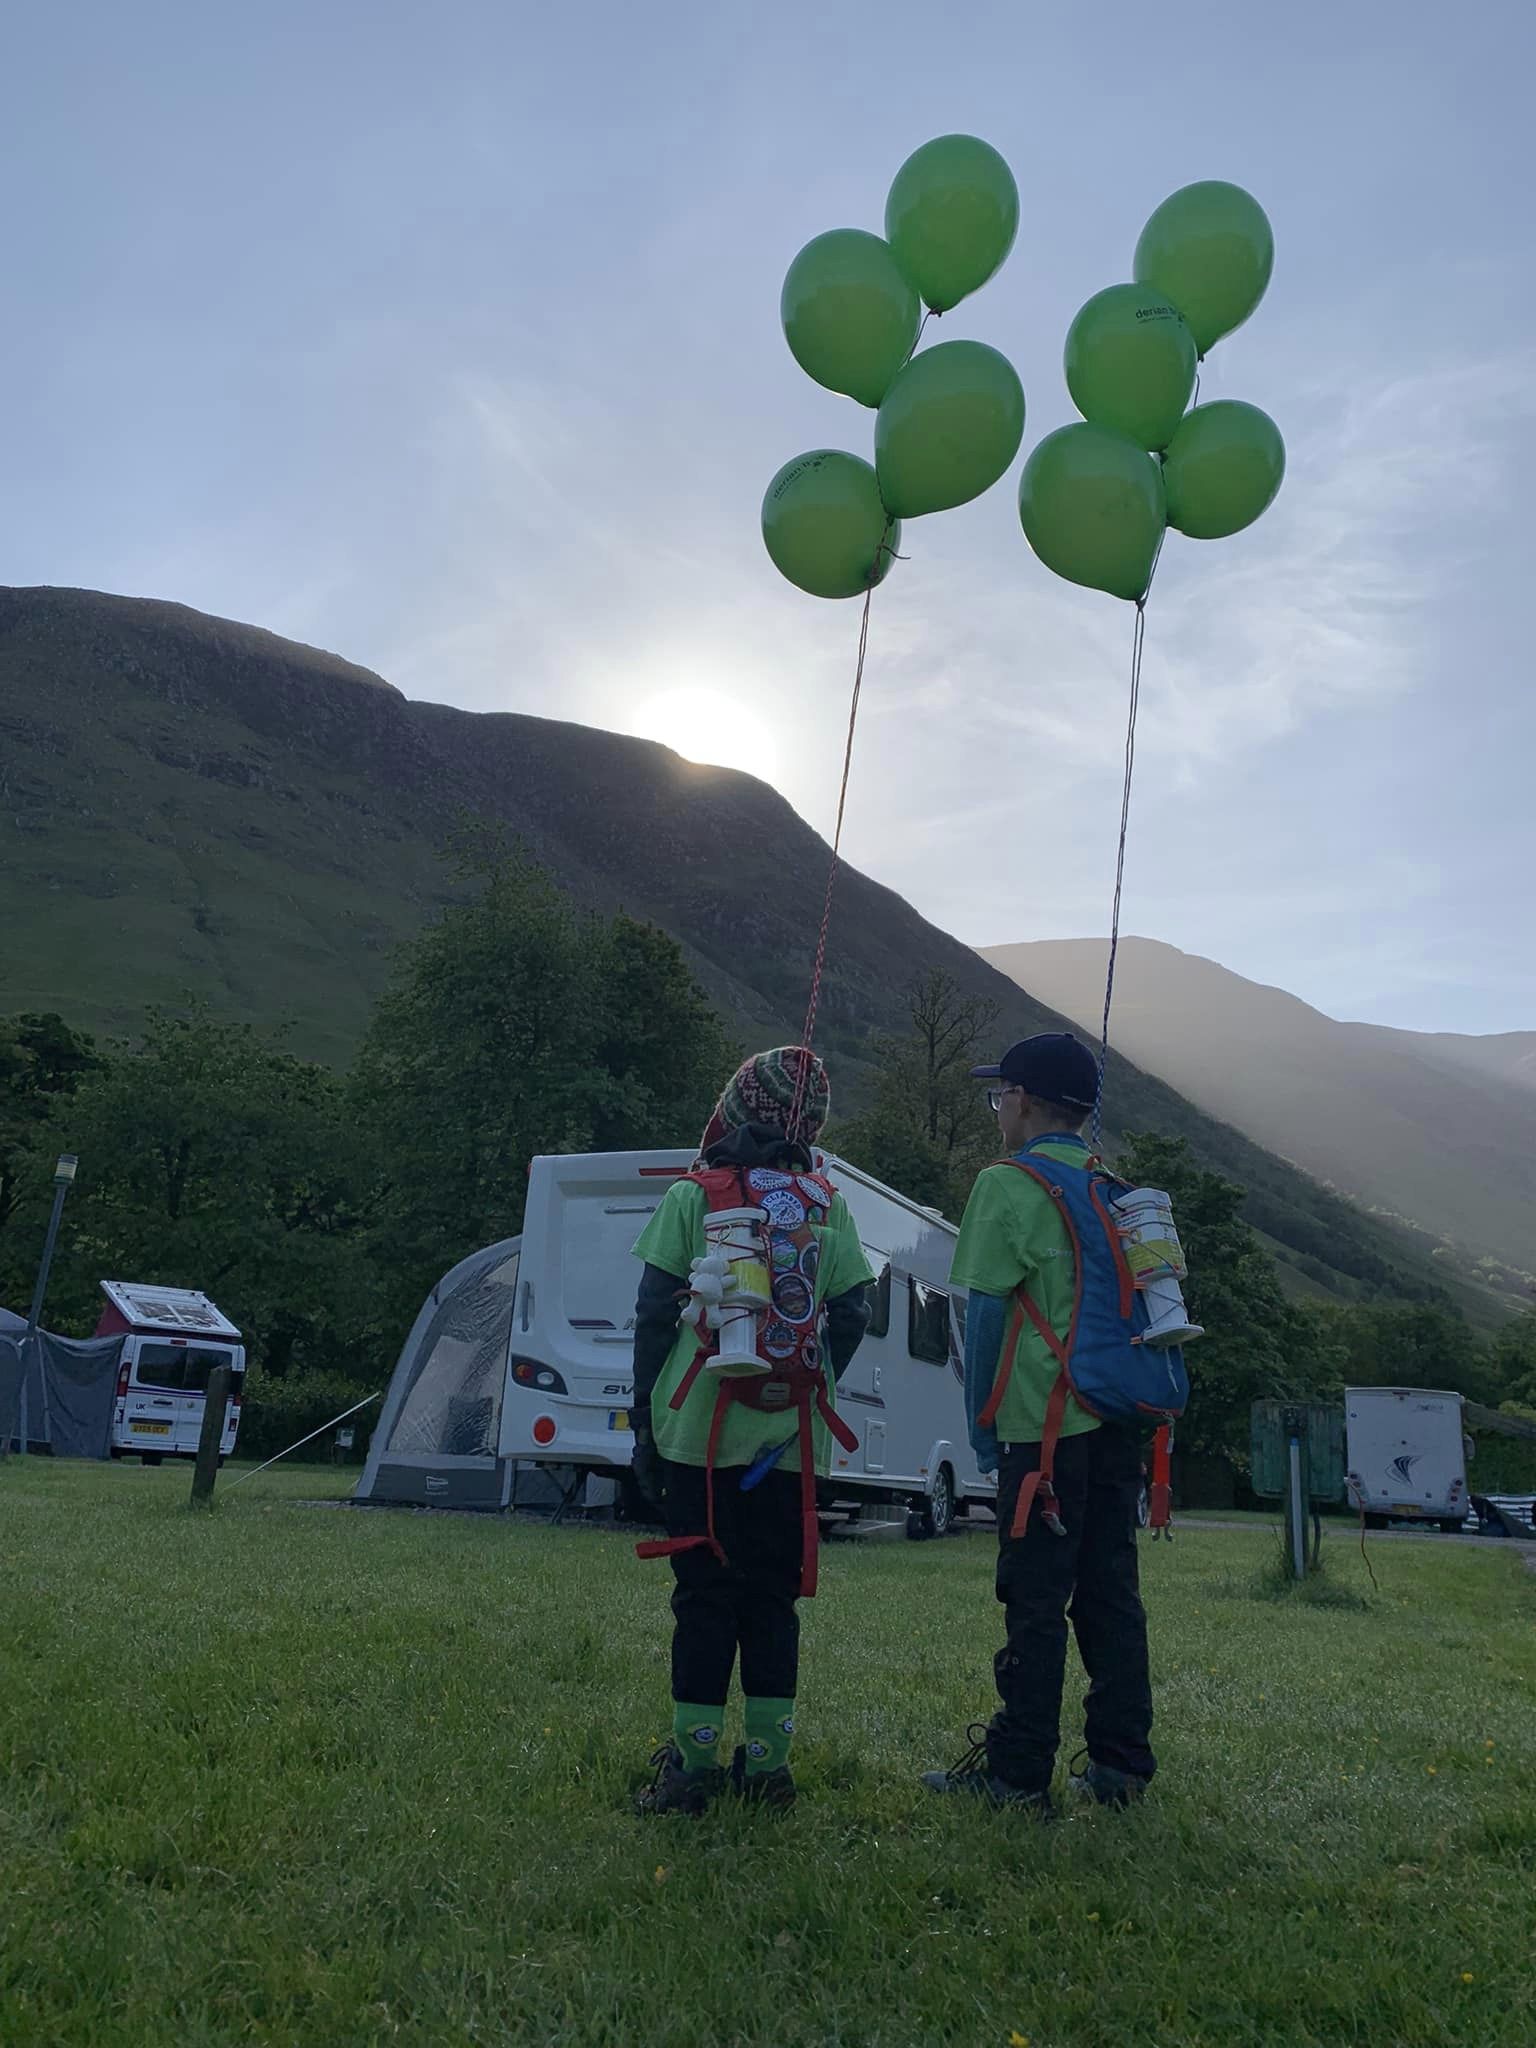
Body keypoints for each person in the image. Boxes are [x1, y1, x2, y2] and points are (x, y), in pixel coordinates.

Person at [629, 1046, 873, 1815]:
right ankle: (768, 1769)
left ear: (735, 1109)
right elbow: (858, 1309)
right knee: (772, 1603)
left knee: (703, 1596)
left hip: (696, 1436)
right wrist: (803, 1376)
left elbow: (652, 1314)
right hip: (793, 1442)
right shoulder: (828, 1203)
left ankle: (691, 1771)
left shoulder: (694, 1195)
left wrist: (643, 1422)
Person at [922, 1032, 1156, 1815]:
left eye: (1000, 1097)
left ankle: (1018, 1773)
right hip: (1120, 1422)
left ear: (1023, 1101)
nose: (998, 1110)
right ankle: (1121, 1768)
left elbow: (985, 1318)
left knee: (1034, 1599)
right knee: (1110, 1594)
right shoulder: (1118, 1191)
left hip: (1043, 1433)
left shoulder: (1007, 1185)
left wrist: (982, 1425)